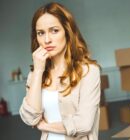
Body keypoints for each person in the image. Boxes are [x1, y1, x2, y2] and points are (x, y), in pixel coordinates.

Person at [19, 2, 101, 140]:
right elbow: (30, 118)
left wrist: (46, 126)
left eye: (54, 30)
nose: (47, 39)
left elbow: (84, 125)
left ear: (67, 31)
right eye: (41, 33)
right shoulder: (35, 75)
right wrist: (38, 71)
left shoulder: (88, 71)